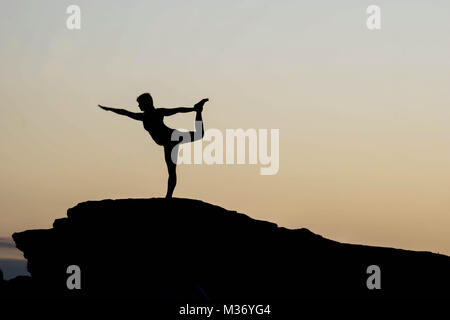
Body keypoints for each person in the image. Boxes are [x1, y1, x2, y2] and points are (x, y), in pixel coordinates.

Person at [98, 93, 208, 198]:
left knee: (172, 169)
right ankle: (198, 110)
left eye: (140, 103)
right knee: (197, 137)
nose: (138, 106)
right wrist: (109, 109)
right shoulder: (143, 116)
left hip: (171, 138)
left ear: (146, 103)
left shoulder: (158, 113)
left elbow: (177, 110)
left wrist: (193, 109)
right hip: (169, 141)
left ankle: (168, 197)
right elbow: (124, 112)